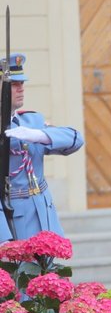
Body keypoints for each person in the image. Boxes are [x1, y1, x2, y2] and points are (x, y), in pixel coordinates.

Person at [0, 53, 84, 242]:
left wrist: (40, 135)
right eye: (14, 84)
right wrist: (3, 240)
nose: (21, 89)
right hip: (14, 222)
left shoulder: (31, 121)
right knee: (20, 271)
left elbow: (76, 139)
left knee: (48, 271)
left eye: (22, 83)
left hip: (44, 218)